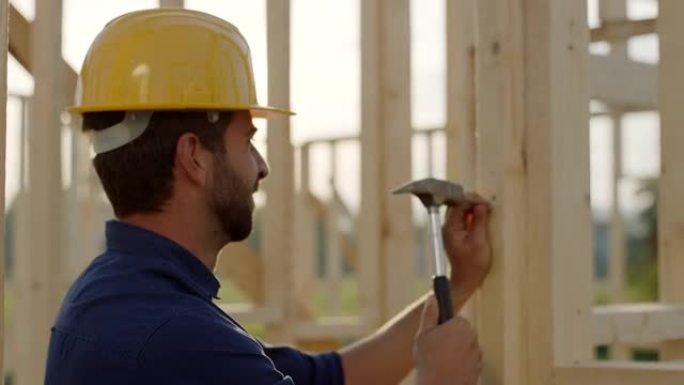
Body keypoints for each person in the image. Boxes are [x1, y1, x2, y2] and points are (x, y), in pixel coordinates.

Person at [45, 8, 492, 385]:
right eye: (247, 140)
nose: (262, 166)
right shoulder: (180, 341)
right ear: (194, 157)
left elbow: (331, 376)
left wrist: (460, 282)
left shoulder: (115, 295)